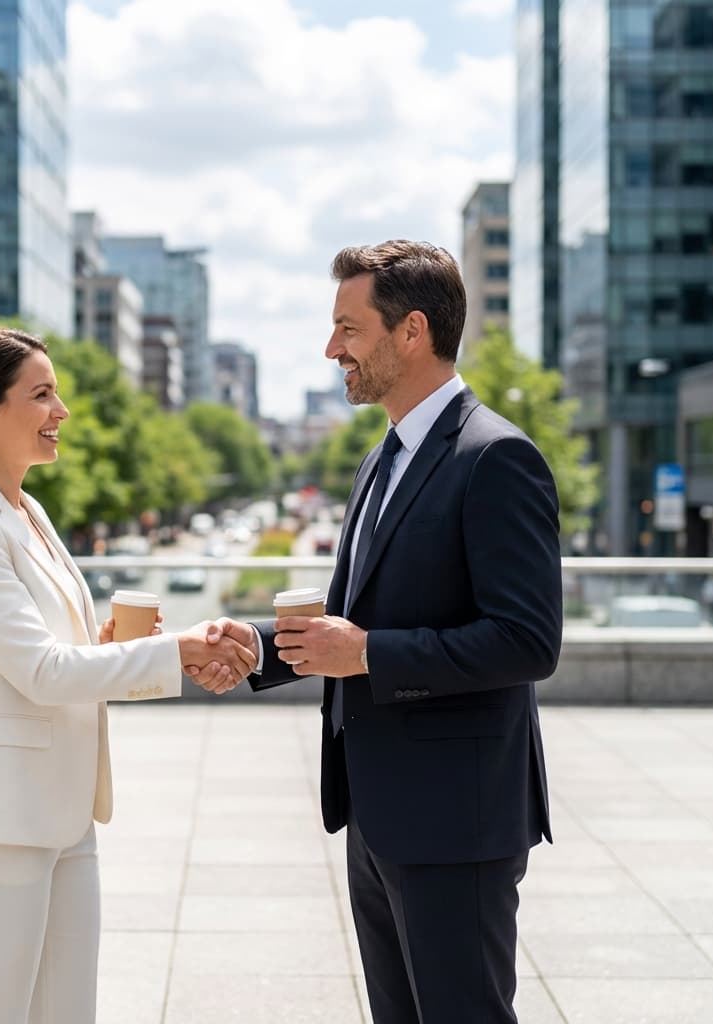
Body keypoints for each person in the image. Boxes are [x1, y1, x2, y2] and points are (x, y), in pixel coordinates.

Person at [205, 241, 562, 1023]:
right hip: (377, 812)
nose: (331, 348)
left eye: (348, 328)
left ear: (411, 332)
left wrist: (366, 655)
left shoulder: (497, 456)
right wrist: (257, 645)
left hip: (454, 821)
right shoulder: (382, 459)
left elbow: (528, 641)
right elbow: (353, 613)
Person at [0, 326, 255, 1024]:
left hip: (60, 812)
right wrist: (176, 653)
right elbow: (40, 670)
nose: (61, 411)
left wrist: (110, 646)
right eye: (41, 394)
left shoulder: (26, 511)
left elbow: (48, 651)